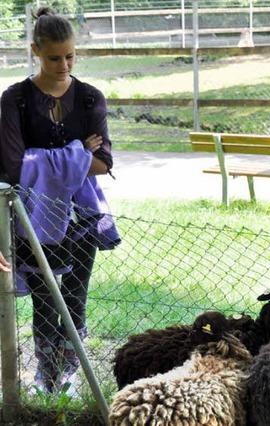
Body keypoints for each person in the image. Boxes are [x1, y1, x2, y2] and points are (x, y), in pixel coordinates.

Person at [0, 7, 119, 394]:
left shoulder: (90, 99)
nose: (64, 64)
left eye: (70, 56)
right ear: (36, 50)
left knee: (75, 299)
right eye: (55, 58)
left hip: (82, 216)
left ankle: (67, 376)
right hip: (31, 219)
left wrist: (57, 158)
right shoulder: (14, 100)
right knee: (45, 304)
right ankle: (45, 377)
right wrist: (76, 153)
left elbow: (103, 162)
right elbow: (14, 167)